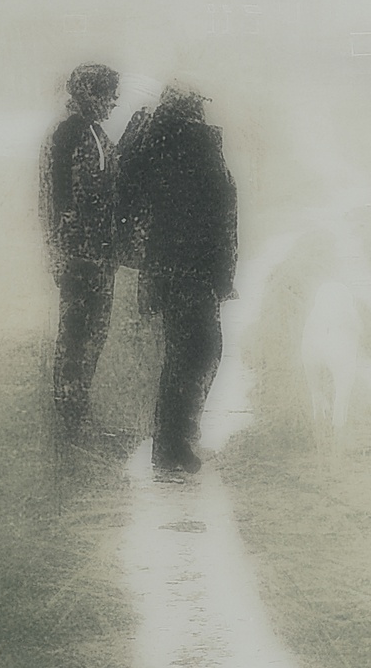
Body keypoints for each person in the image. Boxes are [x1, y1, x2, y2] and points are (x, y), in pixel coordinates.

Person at [117, 84, 238, 475]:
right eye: (197, 105)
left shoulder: (160, 143)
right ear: (189, 108)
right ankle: (172, 447)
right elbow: (217, 207)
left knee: (188, 353)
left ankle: (176, 441)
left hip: (174, 268)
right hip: (193, 268)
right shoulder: (190, 142)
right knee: (198, 352)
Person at [40, 62, 121, 442]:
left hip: (95, 253)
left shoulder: (93, 132)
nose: (114, 102)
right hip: (81, 254)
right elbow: (58, 200)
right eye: (108, 95)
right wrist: (62, 251)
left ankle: (77, 411)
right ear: (89, 94)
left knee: (91, 333)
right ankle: (71, 415)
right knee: (77, 335)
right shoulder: (69, 134)